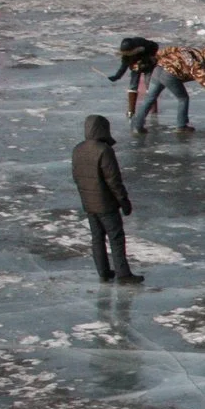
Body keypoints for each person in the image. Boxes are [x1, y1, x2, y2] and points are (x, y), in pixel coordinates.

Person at [70, 115, 142, 283]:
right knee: (116, 237)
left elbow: (76, 176)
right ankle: (123, 274)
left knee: (97, 237)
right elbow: (113, 180)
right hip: (106, 204)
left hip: (88, 203)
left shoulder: (78, 149)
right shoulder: (104, 150)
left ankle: (103, 271)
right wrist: (124, 201)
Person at [132, 43, 205, 134]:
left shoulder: (189, 50)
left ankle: (137, 125)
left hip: (158, 69)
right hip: (170, 75)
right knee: (183, 98)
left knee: (149, 98)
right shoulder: (197, 64)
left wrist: (155, 59)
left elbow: (167, 50)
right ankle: (182, 125)